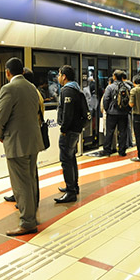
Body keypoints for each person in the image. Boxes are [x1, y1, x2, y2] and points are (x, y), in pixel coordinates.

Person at [0, 58, 45, 235]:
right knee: (30, 180)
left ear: (7, 72)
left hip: (17, 142)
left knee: (20, 184)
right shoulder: (32, 87)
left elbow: (0, 118)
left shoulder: (8, 88)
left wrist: (0, 134)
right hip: (33, 141)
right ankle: (32, 215)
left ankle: (27, 222)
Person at [55, 65, 86, 203]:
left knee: (66, 160)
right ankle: (74, 185)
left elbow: (67, 113)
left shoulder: (67, 90)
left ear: (64, 76)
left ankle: (70, 191)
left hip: (69, 131)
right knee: (71, 157)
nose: (58, 77)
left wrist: (63, 130)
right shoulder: (76, 89)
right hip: (76, 130)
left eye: (59, 74)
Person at [99, 70, 131, 156]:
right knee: (123, 132)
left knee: (110, 132)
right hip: (124, 113)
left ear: (114, 77)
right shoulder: (127, 87)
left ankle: (107, 150)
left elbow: (106, 99)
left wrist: (107, 109)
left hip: (112, 113)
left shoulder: (110, 87)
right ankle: (122, 151)